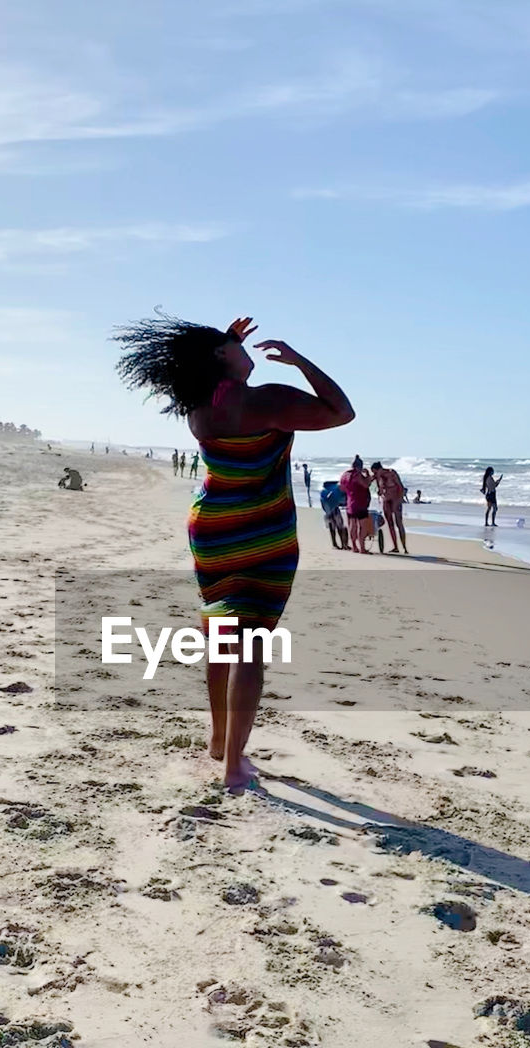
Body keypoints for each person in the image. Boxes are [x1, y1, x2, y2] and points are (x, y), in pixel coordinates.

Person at [116, 312, 354, 792]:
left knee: (222, 636)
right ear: (222, 357)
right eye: (232, 345)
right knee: (251, 646)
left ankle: (220, 741)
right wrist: (297, 361)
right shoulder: (267, 401)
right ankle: (235, 767)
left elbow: (215, 372)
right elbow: (340, 411)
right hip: (263, 529)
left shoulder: (199, 405)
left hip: (211, 527)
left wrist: (225, 346)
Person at [370, 462, 408, 553]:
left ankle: (404, 547)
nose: (374, 474)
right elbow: (369, 481)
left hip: (395, 499)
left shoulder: (391, 473)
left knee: (399, 523)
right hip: (386, 500)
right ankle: (395, 547)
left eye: (375, 472)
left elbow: (401, 487)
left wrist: (399, 499)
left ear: (380, 469)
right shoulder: (377, 477)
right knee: (390, 524)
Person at [339, 455, 373, 553]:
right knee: (363, 526)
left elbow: (341, 488)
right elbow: (366, 484)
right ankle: (362, 548)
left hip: (350, 503)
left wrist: (350, 492)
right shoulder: (357, 475)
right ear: (360, 466)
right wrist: (368, 476)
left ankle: (354, 546)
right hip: (360, 503)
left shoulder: (345, 475)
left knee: (352, 525)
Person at [319, 480, 349, 550]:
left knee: (334, 527)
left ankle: (336, 544)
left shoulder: (325, 491)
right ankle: (341, 544)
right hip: (333, 509)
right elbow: (343, 501)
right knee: (339, 526)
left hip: (328, 510)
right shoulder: (336, 491)